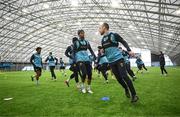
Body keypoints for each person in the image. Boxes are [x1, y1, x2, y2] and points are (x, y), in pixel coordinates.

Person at [99, 22, 138, 103]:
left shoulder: (114, 35)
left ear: (104, 28)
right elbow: (105, 50)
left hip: (119, 59)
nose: (99, 30)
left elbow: (123, 41)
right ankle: (126, 89)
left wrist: (129, 50)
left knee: (124, 76)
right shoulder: (102, 40)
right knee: (119, 79)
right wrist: (103, 51)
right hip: (111, 62)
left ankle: (134, 95)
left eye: (100, 28)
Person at [73, 29, 96, 94]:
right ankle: (83, 86)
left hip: (87, 59)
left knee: (90, 74)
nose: (82, 34)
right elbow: (73, 52)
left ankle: (88, 88)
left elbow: (90, 50)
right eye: (81, 33)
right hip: (79, 59)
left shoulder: (87, 42)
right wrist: (74, 60)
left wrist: (94, 55)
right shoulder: (76, 43)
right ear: (78, 35)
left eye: (83, 33)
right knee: (84, 73)